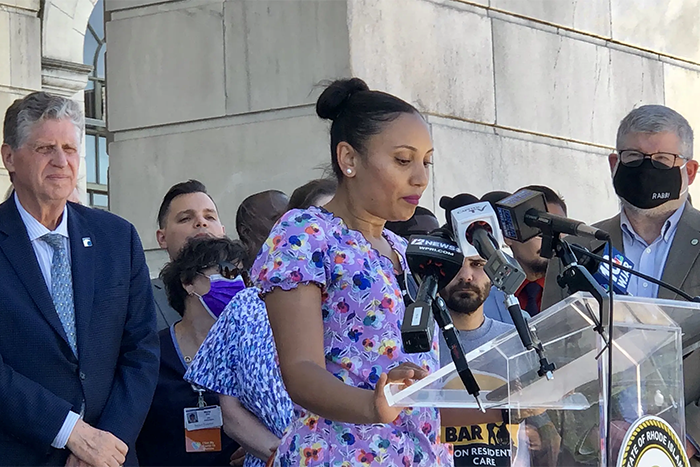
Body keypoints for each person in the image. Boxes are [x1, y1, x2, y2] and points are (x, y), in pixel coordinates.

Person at [252, 78, 451, 466]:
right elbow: (301, 371)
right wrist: (373, 406)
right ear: (349, 159)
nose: (421, 178)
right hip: (340, 453)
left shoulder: (402, 250)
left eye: (426, 161)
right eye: (402, 159)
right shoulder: (306, 235)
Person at [0, 92, 159, 466]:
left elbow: (141, 352)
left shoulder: (117, 238)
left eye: (71, 149)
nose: (61, 162)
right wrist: (71, 432)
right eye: (45, 148)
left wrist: (106, 446)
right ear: (9, 157)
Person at [541, 104, 700, 462]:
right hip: (598, 449)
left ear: (689, 170)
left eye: (661, 159)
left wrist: (687, 436)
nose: (647, 169)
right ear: (614, 165)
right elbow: (553, 349)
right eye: (633, 157)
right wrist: (593, 430)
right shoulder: (576, 248)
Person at [186, 178, 340, 466]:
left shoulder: (369, 308)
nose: (330, 234)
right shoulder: (246, 307)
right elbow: (231, 413)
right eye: (320, 220)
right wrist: (285, 456)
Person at [136, 236, 246, 467]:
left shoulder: (252, 353)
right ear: (187, 282)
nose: (237, 283)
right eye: (226, 271)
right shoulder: (150, 354)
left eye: (242, 275)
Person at [483, 186, 567, 322]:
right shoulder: (487, 296)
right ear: (509, 235)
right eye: (540, 231)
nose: (551, 240)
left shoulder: (578, 292)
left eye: (558, 231)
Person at [153, 180, 226, 330]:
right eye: (185, 218)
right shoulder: (141, 298)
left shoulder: (252, 290)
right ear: (162, 238)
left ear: (222, 231)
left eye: (210, 217)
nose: (201, 222)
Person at [235, 190, 288, 270]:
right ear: (246, 232)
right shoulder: (230, 277)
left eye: (291, 216)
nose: (290, 223)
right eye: (278, 219)